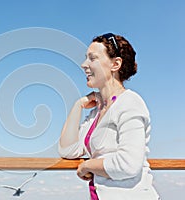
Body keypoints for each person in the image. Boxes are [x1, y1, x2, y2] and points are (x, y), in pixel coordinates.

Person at [58, 33, 160, 199]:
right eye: (86, 58)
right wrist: (78, 106)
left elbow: (128, 164)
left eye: (93, 58)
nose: (84, 64)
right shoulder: (96, 113)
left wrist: (87, 166)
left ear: (115, 64)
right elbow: (68, 150)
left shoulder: (130, 103)